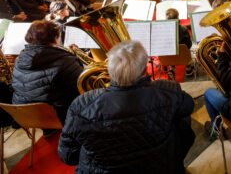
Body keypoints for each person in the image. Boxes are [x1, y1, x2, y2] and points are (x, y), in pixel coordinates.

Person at [58, 41, 195, 173]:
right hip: (161, 165)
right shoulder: (168, 90)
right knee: (181, 118)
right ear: (144, 71)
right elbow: (189, 105)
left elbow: (68, 156)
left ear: (110, 69)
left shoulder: (80, 105)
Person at [12, 20, 83, 124]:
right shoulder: (66, 61)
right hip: (58, 116)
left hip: (24, 114)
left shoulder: (19, 58)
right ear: (55, 37)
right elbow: (81, 88)